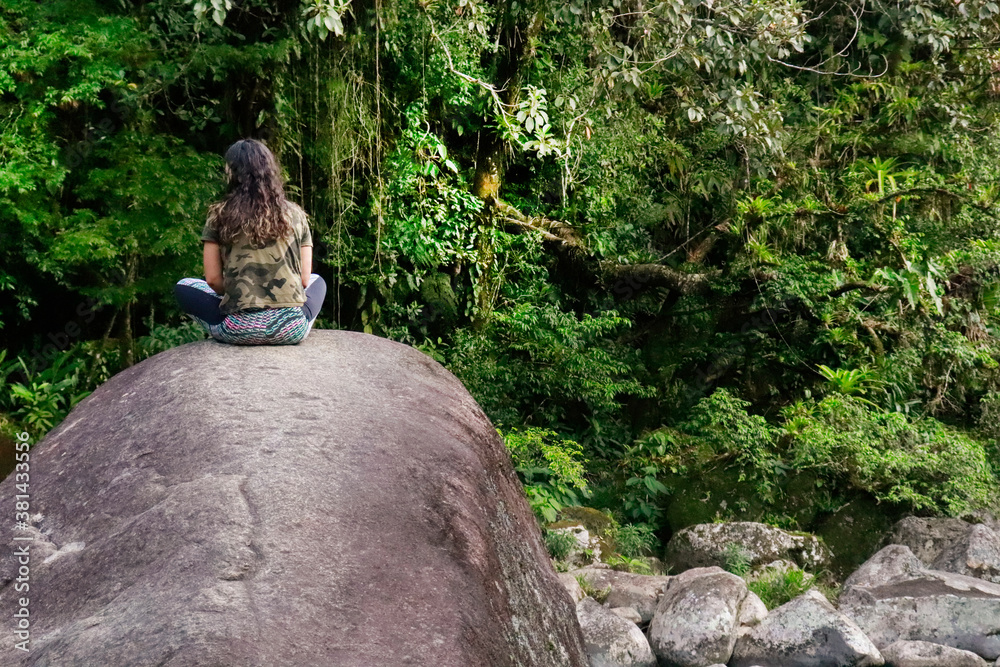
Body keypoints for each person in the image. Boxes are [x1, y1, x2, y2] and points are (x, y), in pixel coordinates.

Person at [174, 139, 326, 345]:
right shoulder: (296, 214)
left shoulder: (219, 214)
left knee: (184, 286)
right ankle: (293, 319)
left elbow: (212, 280)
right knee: (319, 281)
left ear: (232, 173)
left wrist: (240, 295)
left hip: (238, 329)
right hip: (290, 329)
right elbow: (305, 280)